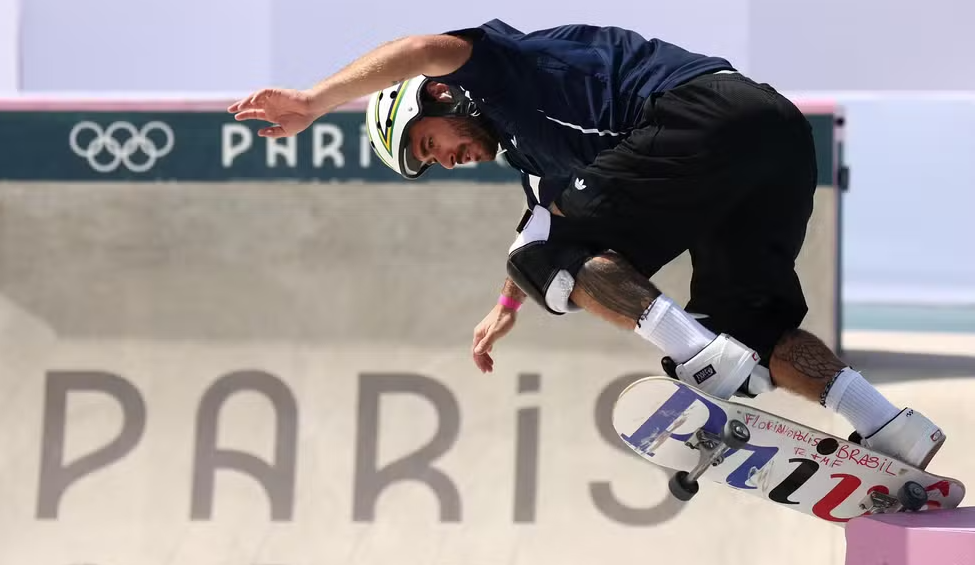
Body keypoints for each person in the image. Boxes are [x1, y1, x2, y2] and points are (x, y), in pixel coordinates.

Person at [227, 19, 945, 469]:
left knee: (551, 257)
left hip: (698, 113)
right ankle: (888, 427)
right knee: (753, 323)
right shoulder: (535, 159)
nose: (441, 159)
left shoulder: (490, 68)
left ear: (437, 100)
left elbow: (417, 47)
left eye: (426, 143)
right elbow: (540, 231)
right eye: (426, 164)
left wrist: (314, 101)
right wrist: (508, 301)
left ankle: (704, 359)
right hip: (774, 134)